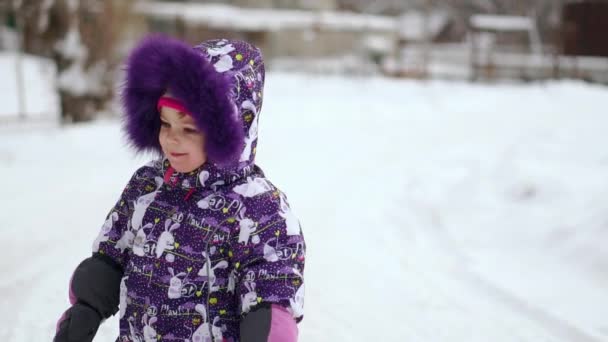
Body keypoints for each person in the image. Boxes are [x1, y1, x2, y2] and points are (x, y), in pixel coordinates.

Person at [53, 34, 306, 342]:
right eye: (165, 123)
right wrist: (86, 309)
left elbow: (270, 296)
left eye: (189, 128)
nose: (172, 139)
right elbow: (112, 254)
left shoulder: (260, 210)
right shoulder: (147, 185)